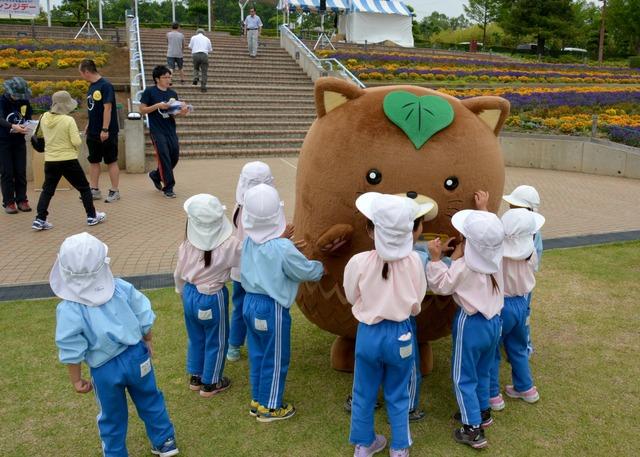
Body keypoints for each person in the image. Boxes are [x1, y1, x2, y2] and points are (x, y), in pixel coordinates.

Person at [52, 232, 179, 457]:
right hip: (136, 356)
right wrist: (147, 339)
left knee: (111, 414)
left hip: (104, 368)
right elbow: (143, 314)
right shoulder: (121, 287)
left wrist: (76, 379)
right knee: (150, 397)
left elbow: (71, 346)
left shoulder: (69, 308)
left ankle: (115, 452)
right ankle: (165, 441)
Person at [344, 193, 431, 457]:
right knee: (398, 391)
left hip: (369, 333)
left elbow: (351, 295)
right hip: (401, 333)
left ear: (371, 230)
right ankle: (399, 447)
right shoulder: (415, 261)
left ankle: (363, 444)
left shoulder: (359, 262)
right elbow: (418, 298)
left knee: (363, 391)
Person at [427, 191, 504, 450]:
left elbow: (441, 285)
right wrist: (483, 211)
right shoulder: (497, 261)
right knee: (483, 370)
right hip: (494, 323)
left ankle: (472, 429)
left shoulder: (464, 267)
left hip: (470, 324)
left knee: (463, 376)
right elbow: (488, 235)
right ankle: (482, 412)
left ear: (469, 243)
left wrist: (437, 259)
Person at [240, 183, 324, 422]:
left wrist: (282, 239)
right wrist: (321, 267)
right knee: (276, 357)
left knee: (258, 352)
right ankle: (271, 406)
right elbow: (304, 270)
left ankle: (258, 398)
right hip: (272, 308)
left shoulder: (249, 240)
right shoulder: (283, 248)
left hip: (249, 303)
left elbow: (266, 249)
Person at [174, 194, 242, 397]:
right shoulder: (230, 244)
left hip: (190, 293)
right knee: (217, 340)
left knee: (195, 337)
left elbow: (178, 274)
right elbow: (249, 256)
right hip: (212, 296)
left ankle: (195, 376)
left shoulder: (185, 245)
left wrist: (181, 293)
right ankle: (211, 382)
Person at [489, 208, 545, 411]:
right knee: (519, 347)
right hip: (522, 304)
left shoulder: (498, 253)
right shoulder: (530, 251)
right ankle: (526, 388)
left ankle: (492, 394)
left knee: (493, 350)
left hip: (502, 306)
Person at [31, 91, 106, 231]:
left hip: (50, 160)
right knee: (84, 188)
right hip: (68, 159)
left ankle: (40, 219)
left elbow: (39, 135)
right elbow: (76, 142)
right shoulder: (68, 120)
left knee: (47, 190)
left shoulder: (43, 117)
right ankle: (91, 216)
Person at [227, 161, 275, 363]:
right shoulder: (262, 212)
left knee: (239, 306)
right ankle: (260, 344)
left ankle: (233, 346)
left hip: (239, 269)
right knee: (260, 307)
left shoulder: (238, 207)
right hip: (258, 271)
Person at [502, 185, 542, 357]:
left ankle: (524, 345)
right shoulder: (534, 233)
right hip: (524, 286)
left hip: (510, 290)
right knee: (521, 317)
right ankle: (521, 347)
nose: (511, 209)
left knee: (517, 320)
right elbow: (535, 262)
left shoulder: (532, 234)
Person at [140, 65, 189, 199]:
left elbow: (174, 113)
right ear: (157, 79)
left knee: (174, 156)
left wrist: (182, 111)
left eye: (169, 77)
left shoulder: (172, 93)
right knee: (164, 157)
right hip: (157, 131)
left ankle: (155, 175)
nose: (168, 79)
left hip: (170, 129)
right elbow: (142, 110)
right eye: (165, 77)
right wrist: (157, 106)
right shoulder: (149, 92)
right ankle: (169, 187)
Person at [78, 59, 120, 203]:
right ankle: (94, 189)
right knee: (94, 161)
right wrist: (89, 124)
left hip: (106, 131)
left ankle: (115, 190)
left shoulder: (105, 85)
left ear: (86, 71)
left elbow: (107, 108)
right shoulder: (92, 86)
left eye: (81, 73)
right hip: (93, 132)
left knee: (111, 161)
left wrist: (105, 129)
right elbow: (94, 108)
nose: (81, 75)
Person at [0, 77, 32, 214]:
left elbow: (28, 116)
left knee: (20, 171)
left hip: (19, 140)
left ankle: (22, 199)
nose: (18, 98)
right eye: (16, 95)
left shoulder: (23, 101)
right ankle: (9, 202)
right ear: (8, 91)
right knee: (7, 172)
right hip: (3, 141)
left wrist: (28, 126)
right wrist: (13, 126)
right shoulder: (2, 101)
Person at [188, 29, 212, 93]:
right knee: (204, 71)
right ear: (204, 33)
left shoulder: (193, 37)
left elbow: (190, 46)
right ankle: (203, 86)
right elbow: (210, 49)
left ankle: (195, 78)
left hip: (195, 54)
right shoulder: (207, 39)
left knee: (196, 67)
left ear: (197, 33)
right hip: (204, 55)